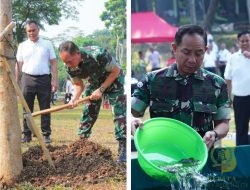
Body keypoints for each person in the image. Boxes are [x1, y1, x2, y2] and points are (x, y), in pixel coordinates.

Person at [131, 24, 231, 149]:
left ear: (205, 51)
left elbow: (223, 123)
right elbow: (132, 111)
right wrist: (131, 120)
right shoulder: (152, 80)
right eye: (186, 52)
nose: (192, 60)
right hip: (162, 155)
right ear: (174, 48)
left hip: (199, 155)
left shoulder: (217, 84)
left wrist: (214, 133)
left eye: (199, 53)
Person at [58, 41, 126, 162]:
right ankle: (81, 143)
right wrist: (74, 99)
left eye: (69, 61)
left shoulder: (98, 54)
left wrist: (101, 90)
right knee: (88, 110)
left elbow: (115, 71)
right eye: (65, 62)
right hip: (94, 81)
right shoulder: (68, 65)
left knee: (118, 112)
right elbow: (78, 84)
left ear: (78, 53)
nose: (68, 65)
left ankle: (123, 147)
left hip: (114, 79)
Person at [16, 20, 58, 144]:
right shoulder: (22, 45)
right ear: (26, 32)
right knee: (26, 108)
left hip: (44, 79)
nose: (32, 33)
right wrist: (15, 81)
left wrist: (55, 81)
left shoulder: (47, 44)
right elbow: (18, 65)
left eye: (34, 30)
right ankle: (27, 135)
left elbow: (54, 63)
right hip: (27, 79)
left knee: (45, 107)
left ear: (38, 30)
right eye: (29, 31)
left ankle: (46, 135)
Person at [224, 31, 250, 145]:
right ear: (238, 43)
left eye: (247, 40)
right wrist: (228, 97)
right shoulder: (233, 58)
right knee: (241, 129)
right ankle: (243, 156)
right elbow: (228, 79)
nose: (245, 43)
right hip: (240, 99)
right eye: (242, 41)